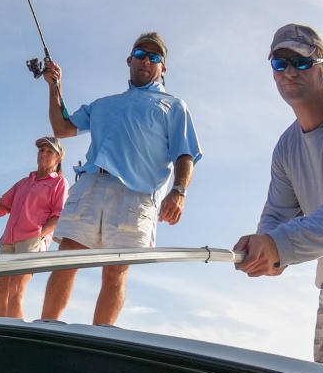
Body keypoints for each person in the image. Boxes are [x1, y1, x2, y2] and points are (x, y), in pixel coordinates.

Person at [234, 24, 323, 373]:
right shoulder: (286, 148)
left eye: (301, 62)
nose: (288, 72)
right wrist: (266, 253)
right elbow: (277, 216)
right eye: (279, 62)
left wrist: (279, 245)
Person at [39, 32, 202, 325]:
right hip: (92, 183)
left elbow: (185, 153)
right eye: (141, 54)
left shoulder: (175, 106)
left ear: (163, 68)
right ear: (130, 60)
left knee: (116, 270)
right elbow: (62, 127)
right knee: (67, 258)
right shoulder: (103, 104)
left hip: (137, 194)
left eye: (155, 57)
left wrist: (179, 190)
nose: (147, 61)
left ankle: (100, 336)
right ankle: (46, 329)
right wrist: (55, 86)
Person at [0, 136, 69, 318]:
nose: (43, 153)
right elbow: (0, 208)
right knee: (0, 289)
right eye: (41, 150)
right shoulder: (23, 182)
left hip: (33, 240)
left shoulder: (59, 183)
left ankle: (11, 333)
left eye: (49, 151)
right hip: (9, 239)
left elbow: (58, 216)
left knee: (16, 288)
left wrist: (39, 235)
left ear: (58, 158)